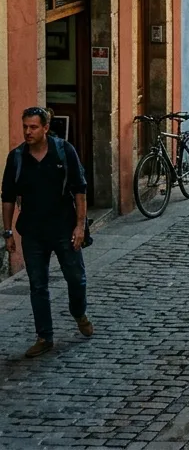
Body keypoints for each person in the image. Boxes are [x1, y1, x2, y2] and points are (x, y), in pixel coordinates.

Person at [2, 107, 91, 357]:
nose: (28, 132)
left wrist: (80, 226)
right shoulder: (17, 157)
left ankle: (79, 312)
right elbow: (7, 197)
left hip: (64, 228)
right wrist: (8, 232)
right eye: (25, 127)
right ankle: (44, 336)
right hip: (32, 232)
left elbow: (80, 190)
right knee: (38, 285)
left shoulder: (64, 151)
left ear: (45, 128)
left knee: (75, 278)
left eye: (33, 127)